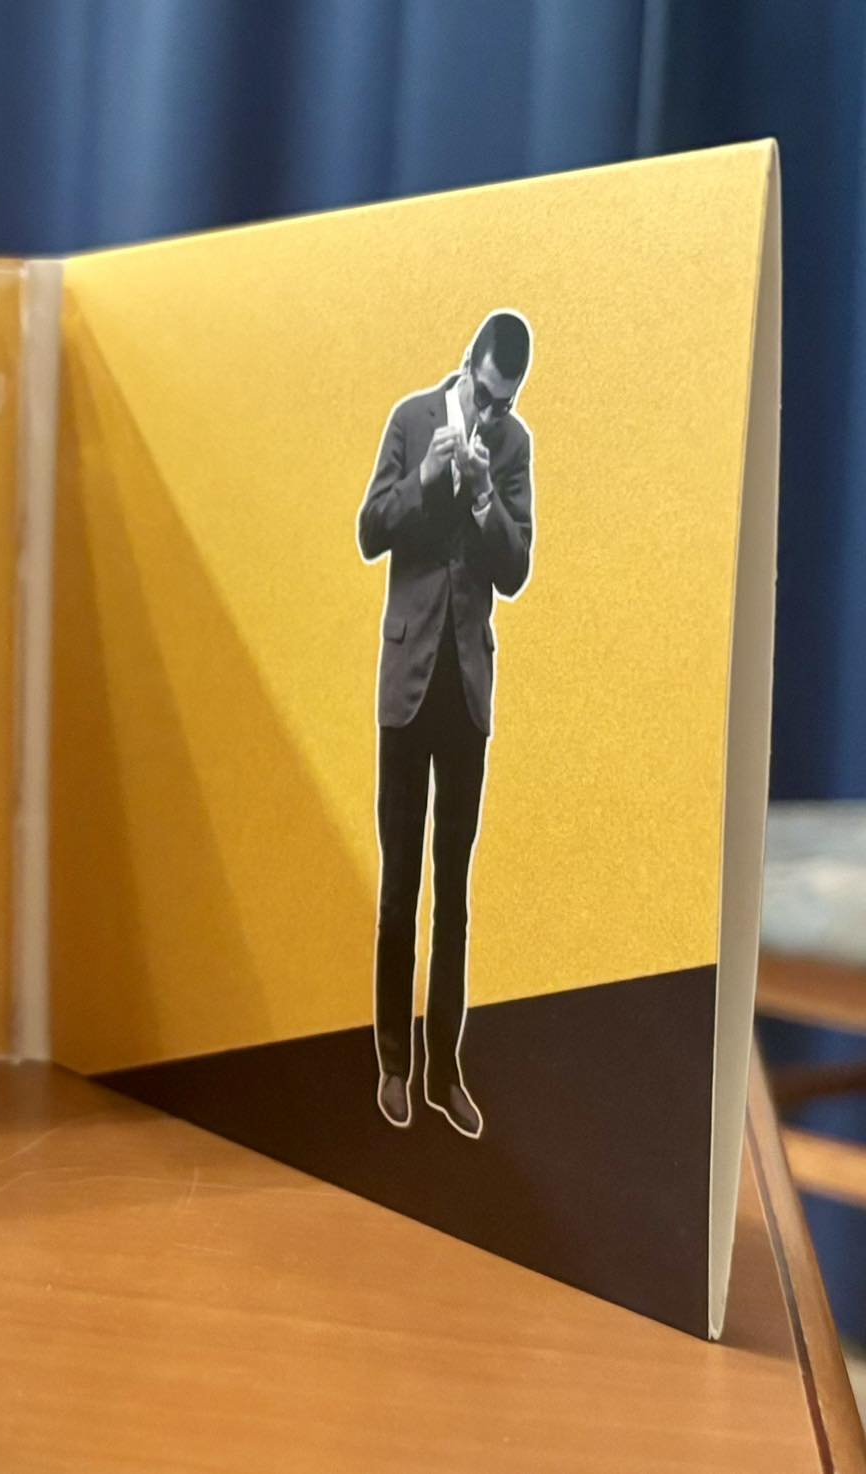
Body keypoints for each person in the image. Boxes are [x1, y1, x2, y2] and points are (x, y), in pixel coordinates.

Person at [355, 310, 535, 1139]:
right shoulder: (411, 418)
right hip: (407, 685)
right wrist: (428, 478)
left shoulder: (514, 447)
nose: (493, 414)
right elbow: (369, 531)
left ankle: (445, 1072)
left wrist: (488, 497)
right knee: (399, 887)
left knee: (454, 894)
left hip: (466, 690)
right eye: (487, 397)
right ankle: (393, 1063)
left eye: (506, 403)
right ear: (467, 366)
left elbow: (516, 570)